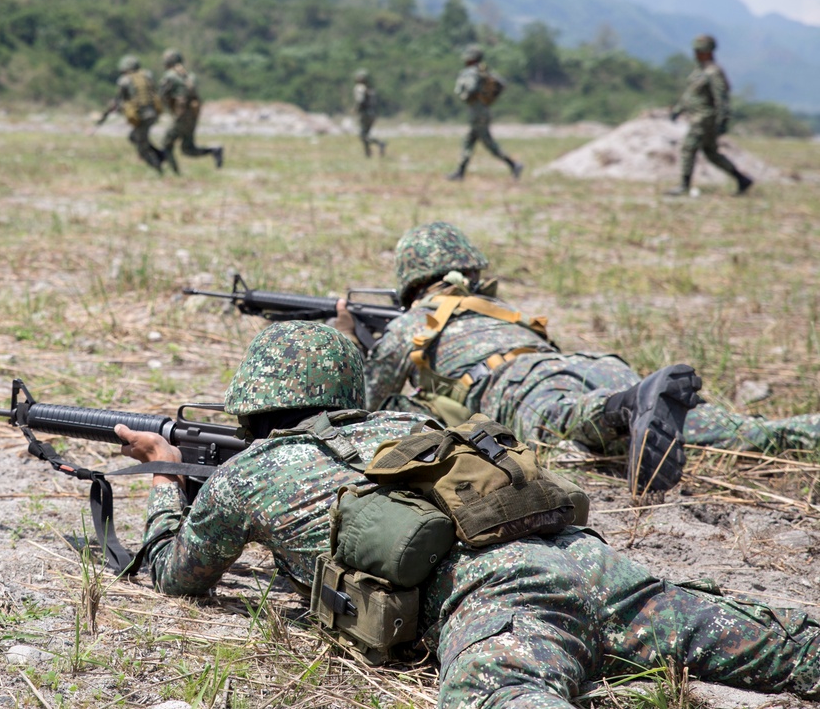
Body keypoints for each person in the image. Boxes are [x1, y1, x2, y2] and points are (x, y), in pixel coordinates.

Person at [116, 320, 820, 708]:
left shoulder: (245, 475)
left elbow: (178, 576)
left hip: (501, 606)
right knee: (790, 647)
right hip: (588, 558)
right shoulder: (407, 425)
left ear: (249, 399)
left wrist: (160, 474)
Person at [343, 222, 820, 492]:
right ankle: (795, 431)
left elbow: (364, 402)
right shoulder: (494, 308)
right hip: (583, 363)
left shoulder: (414, 321)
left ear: (410, 279)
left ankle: (626, 405)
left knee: (571, 420)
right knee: (721, 429)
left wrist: (352, 338)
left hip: (516, 382)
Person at [668, 34, 753, 197]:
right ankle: (742, 179)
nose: (696, 54)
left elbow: (722, 98)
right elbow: (691, 94)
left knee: (688, 148)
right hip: (698, 117)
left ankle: (684, 185)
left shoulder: (713, 72)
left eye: (699, 50)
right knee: (711, 153)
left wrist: (723, 120)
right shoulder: (700, 70)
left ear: (707, 51)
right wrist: (679, 109)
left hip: (705, 118)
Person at [448, 44, 522, 182]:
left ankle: (514, 164)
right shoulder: (484, 71)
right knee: (468, 142)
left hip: (478, 112)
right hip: (482, 110)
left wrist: (466, 94)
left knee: (489, 144)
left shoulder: (471, 72)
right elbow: (501, 83)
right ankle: (460, 172)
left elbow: (471, 88)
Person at [158, 49, 224, 175]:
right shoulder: (189, 75)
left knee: (166, 144)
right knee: (188, 149)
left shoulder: (170, 76)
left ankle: (175, 174)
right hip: (192, 115)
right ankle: (214, 150)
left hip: (181, 116)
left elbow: (162, 95)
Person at [96, 54, 166, 173]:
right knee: (135, 137)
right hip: (153, 114)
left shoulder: (125, 80)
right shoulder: (147, 76)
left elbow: (117, 101)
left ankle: (159, 167)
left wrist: (104, 116)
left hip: (141, 116)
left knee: (141, 148)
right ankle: (160, 155)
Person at [352, 69, 387, 158]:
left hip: (365, 113)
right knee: (366, 134)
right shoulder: (371, 89)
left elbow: (360, 101)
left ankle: (378, 144)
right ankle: (368, 152)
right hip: (373, 114)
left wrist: (356, 109)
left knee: (363, 135)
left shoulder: (360, 88)